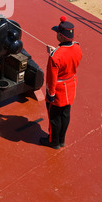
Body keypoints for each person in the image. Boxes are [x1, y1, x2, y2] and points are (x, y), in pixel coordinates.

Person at [40, 16, 82, 150]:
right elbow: (69, 59)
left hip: (58, 90)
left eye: (57, 33)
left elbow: (52, 77)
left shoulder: (55, 56)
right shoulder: (77, 47)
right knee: (65, 114)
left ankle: (54, 142)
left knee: (54, 118)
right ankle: (62, 140)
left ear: (61, 36)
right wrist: (56, 52)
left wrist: (51, 93)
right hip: (71, 86)